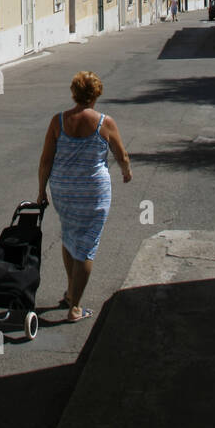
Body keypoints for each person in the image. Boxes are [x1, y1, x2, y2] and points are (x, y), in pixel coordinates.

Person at [37, 70, 132, 322]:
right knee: (87, 246)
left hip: (63, 191)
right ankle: (75, 307)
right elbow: (121, 155)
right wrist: (126, 172)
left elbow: (46, 161)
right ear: (96, 94)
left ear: (74, 93)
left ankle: (71, 291)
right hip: (93, 192)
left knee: (69, 237)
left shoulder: (57, 121)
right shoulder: (105, 122)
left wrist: (40, 192)